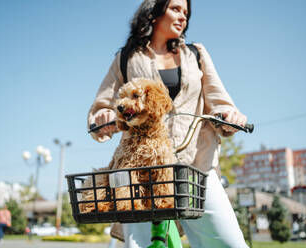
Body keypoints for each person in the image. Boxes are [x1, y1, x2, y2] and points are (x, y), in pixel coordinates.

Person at [87, 0, 249, 247]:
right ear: (153, 13)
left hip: (196, 166)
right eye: (176, 8)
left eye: (186, 12)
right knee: (142, 245)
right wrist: (103, 117)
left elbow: (220, 102)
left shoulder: (196, 54)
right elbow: (103, 106)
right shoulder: (126, 58)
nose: (183, 16)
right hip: (140, 173)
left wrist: (230, 115)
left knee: (229, 243)